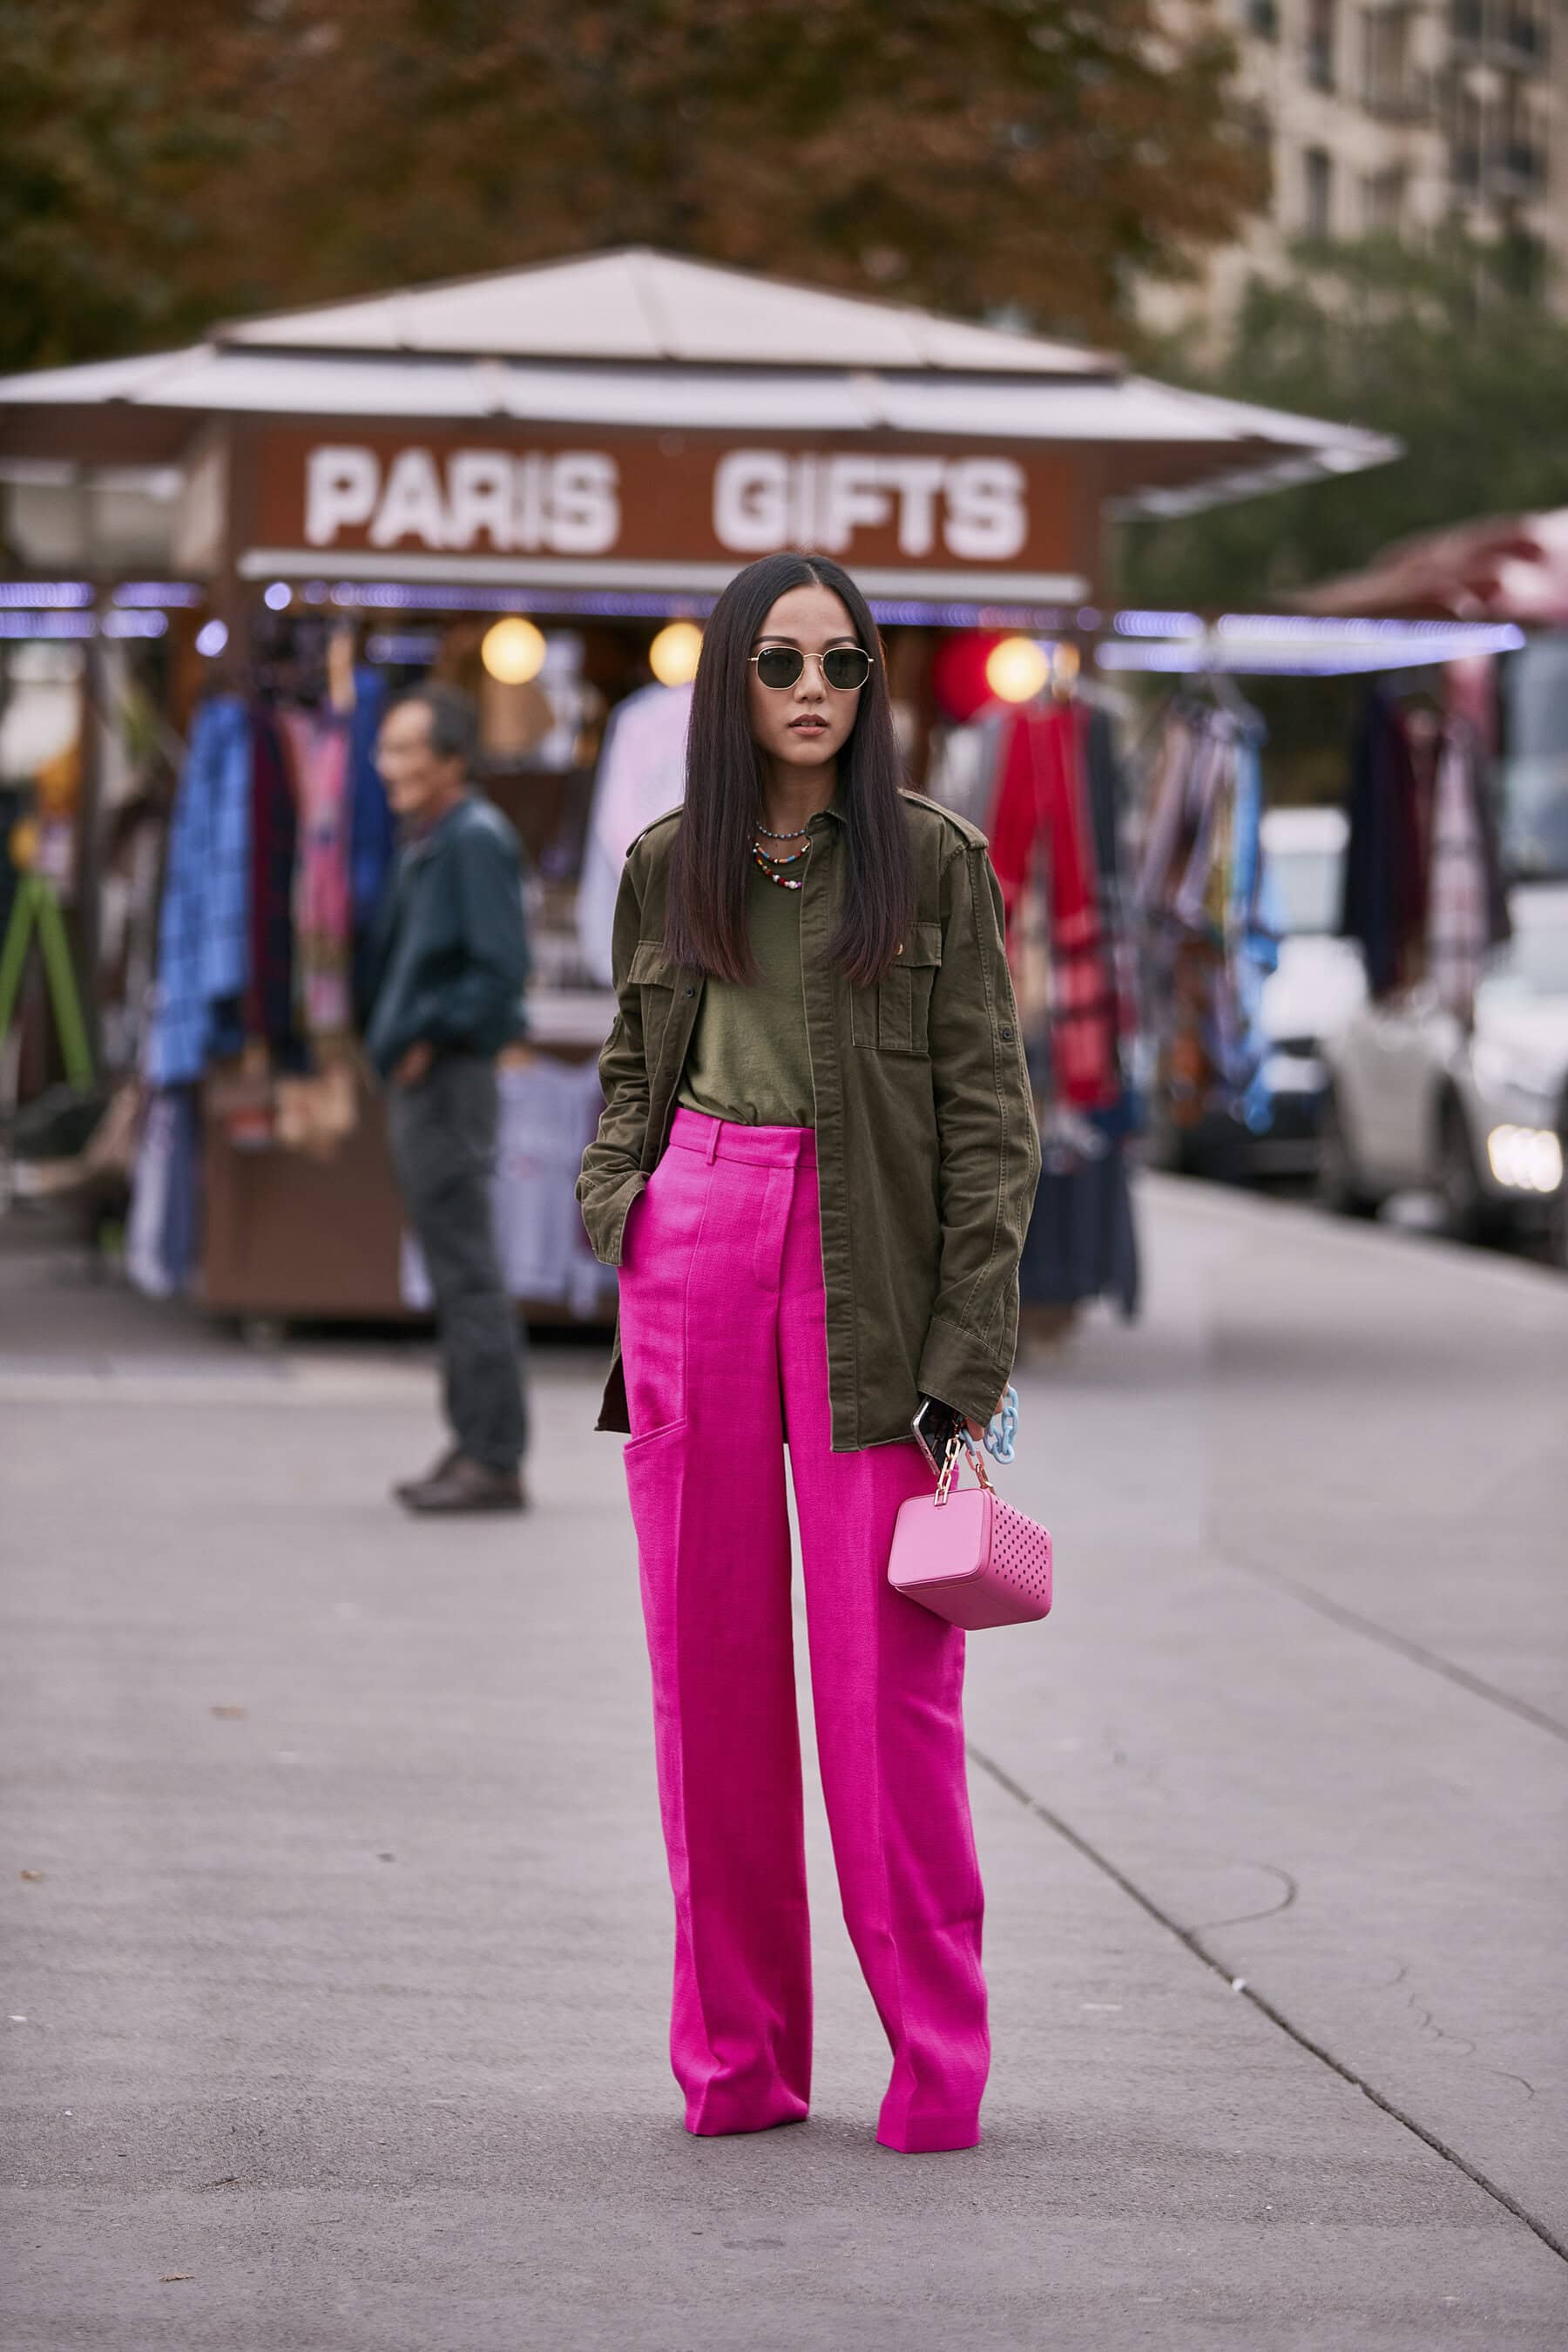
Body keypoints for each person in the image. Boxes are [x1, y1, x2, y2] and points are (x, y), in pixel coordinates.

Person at [577, 553, 1040, 2153]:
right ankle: (741, 2063)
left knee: (887, 1689)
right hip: (696, 1235)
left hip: (872, 1271)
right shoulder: (669, 862)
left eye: (844, 667)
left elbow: (994, 1127)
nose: (815, 695)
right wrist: (621, 1199)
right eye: (782, 665)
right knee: (704, 1690)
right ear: (732, 682)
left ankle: (935, 2069)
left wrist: (967, 1361)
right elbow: (635, 1056)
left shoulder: (928, 862)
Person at [363, 684, 531, 1514]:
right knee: (454, 1265)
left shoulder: (471, 840)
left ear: (452, 762)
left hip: (451, 1083)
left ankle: (493, 1456)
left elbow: (500, 979)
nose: (384, 764)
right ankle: (473, 1441)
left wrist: (428, 1034)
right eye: (385, 747)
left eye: (403, 749)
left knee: (466, 1270)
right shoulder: (431, 840)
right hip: (430, 1082)